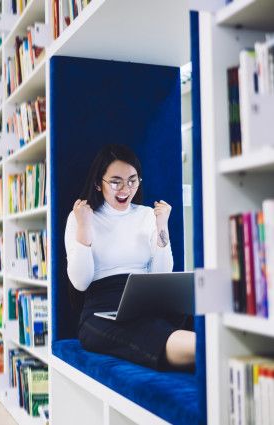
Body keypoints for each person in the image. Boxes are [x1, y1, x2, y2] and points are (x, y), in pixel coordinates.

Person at [64, 144, 195, 370]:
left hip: (147, 300)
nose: (125, 189)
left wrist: (161, 225)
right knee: (148, 332)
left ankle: (213, 346)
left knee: (192, 316)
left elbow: (161, 274)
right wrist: (84, 228)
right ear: (98, 183)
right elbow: (80, 282)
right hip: (101, 309)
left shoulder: (146, 215)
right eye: (116, 182)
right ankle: (207, 350)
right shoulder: (80, 217)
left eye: (132, 180)